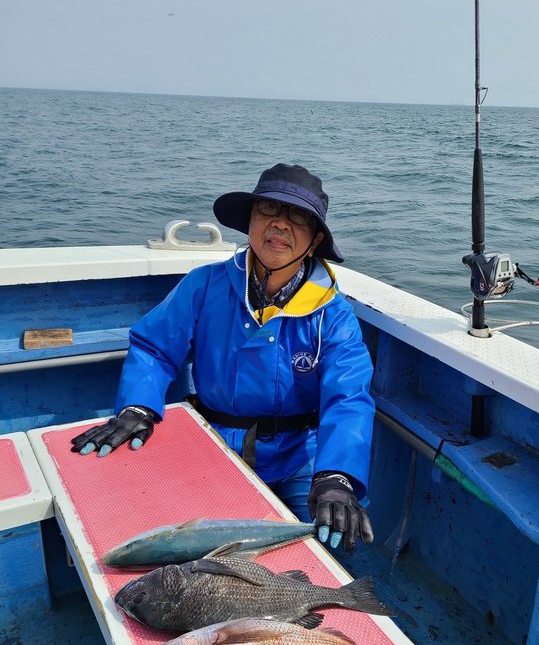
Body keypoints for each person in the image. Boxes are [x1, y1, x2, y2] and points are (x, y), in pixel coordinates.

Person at [71, 163, 375, 552]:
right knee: (182, 548)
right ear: (250, 221)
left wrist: (336, 476)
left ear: (314, 241)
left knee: (328, 546)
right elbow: (154, 347)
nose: (279, 224)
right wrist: (138, 407)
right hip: (214, 445)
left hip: (302, 456)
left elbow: (348, 397)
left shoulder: (333, 315)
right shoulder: (203, 284)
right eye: (269, 209)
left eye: (298, 216)